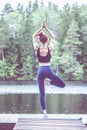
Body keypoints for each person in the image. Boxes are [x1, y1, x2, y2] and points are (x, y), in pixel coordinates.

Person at [32, 21, 65, 118]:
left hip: (41, 71)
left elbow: (33, 36)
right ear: (46, 40)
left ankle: (45, 113)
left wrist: (40, 28)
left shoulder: (37, 48)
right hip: (48, 70)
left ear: (40, 40)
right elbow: (53, 37)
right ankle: (49, 82)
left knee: (42, 94)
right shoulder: (50, 48)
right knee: (62, 85)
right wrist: (45, 28)